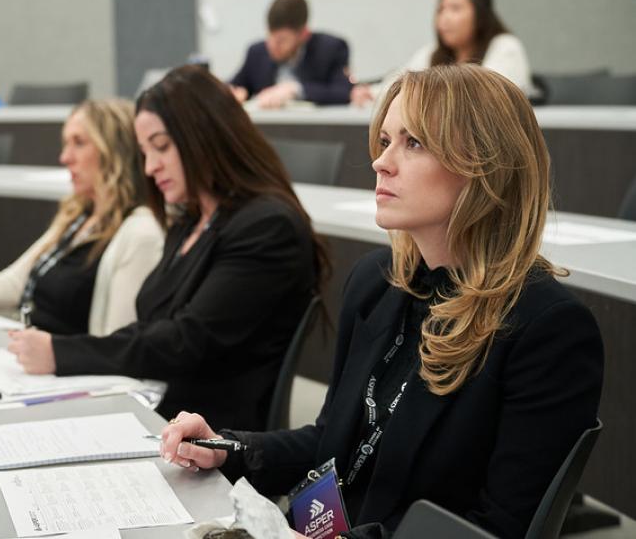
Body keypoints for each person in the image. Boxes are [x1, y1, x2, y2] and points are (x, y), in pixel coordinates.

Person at [160, 65, 603, 539]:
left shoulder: (546, 329)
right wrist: (229, 449)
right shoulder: (378, 283)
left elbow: (494, 530)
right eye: (386, 140)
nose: (381, 162)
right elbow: (331, 442)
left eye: (413, 143)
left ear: (485, 167)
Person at [6, 65, 328, 430]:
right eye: (144, 152)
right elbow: (154, 328)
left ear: (204, 136)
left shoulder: (267, 227)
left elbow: (185, 341)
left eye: (161, 147)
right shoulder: (193, 219)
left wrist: (61, 353)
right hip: (162, 415)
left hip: (209, 437)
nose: (149, 167)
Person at [0, 99, 164, 336]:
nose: (65, 157)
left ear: (115, 152)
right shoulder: (78, 216)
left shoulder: (139, 232)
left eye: (79, 143)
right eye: (65, 144)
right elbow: (13, 284)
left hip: (71, 375)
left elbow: (116, 347)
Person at [352, 0, 536, 106]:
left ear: (480, 15)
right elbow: (401, 84)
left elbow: (492, 98)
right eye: (441, 10)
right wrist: (372, 94)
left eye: (455, 9)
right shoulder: (432, 52)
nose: (444, 18)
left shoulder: (506, 46)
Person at [230, 0, 352, 108]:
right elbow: (234, 85)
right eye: (270, 36)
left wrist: (295, 89)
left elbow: (343, 91)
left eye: (281, 40)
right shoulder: (256, 52)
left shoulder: (330, 49)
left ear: (304, 35)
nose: (272, 45)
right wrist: (234, 93)